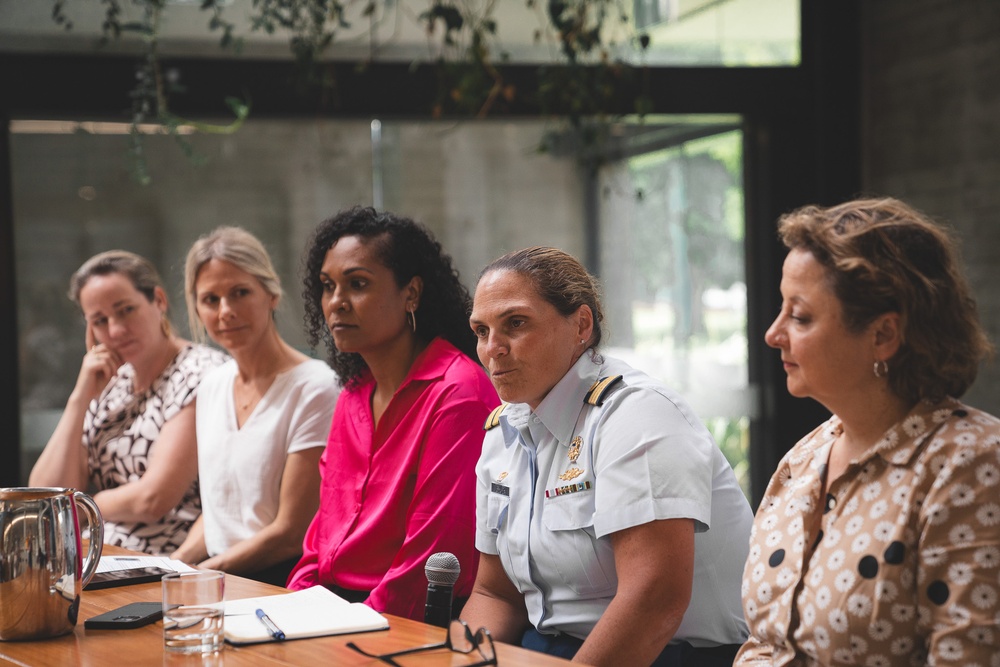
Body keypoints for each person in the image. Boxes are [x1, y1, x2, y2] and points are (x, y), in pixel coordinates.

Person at [735, 197, 1000, 664]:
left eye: (800, 316)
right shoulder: (802, 460)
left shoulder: (971, 466)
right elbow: (764, 645)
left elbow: (969, 655)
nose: (773, 334)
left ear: (883, 335)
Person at [463, 246, 753, 667]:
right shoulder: (503, 431)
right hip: (545, 649)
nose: (494, 348)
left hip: (669, 655)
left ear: (581, 324)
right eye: (481, 331)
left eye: (516, 324)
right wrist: (459, 661)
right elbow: (496, 594)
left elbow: (655, 602)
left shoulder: (636, 413)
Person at [286, 206, 500, 620]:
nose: (336, 303)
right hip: (328, 606)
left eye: (358, 284)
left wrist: (347, 624)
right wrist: (291, 604)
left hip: (401, 616)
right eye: (328, 286)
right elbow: (322, 533)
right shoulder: (353, 392)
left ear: (411, 294)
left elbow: (435, 553)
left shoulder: (459, 392)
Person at [170, 227, 339, 586]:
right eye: (210, 299)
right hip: (218, 576)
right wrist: (171, 567)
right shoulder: (212, 385)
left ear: (271, 293)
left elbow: (291, 532)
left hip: (281, 580)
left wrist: (200, 576)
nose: (226, 311)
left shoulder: (315, 386)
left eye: (240, 293)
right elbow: (219, 517)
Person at [29, 250, 227, 555]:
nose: (116, 330)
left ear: (158, 300)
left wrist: (80, 506)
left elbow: (152, 499)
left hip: (162, 563)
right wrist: (80, 398)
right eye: (100, 320)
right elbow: (45, 495)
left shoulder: (200, 372)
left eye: (126, 310)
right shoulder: (109, 384)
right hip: (90, 559)